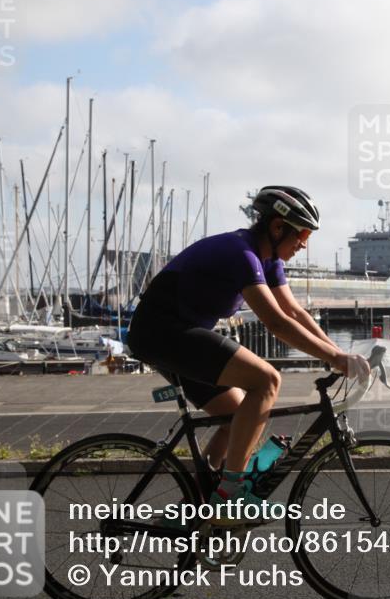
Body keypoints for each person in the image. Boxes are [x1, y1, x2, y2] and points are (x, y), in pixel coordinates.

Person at [127, 186, 370, 525]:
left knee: (238, 417)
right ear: (276, 227)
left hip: (174, 331)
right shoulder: (241, 253)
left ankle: (195, 509)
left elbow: (296, 313)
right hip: (162, 331)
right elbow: (276, 322)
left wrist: (338, 354)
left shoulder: (268, 261)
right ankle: (229, 495)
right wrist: (336, 360)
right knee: (267, 380)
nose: (304, 243)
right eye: (301, 233)